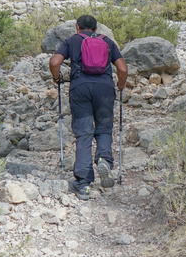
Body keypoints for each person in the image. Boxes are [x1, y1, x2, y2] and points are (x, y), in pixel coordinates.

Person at [49, 15, 127, 200]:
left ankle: (83, 184)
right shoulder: (107, 41)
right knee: (104, 129)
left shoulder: (71, 41)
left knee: (84, 133)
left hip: (80, 89)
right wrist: (121, 85)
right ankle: (104, 160)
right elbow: (122, 68)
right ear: (96, 27)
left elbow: (54, 62)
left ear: (77, 27)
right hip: (105, 89)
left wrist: (57, 78)